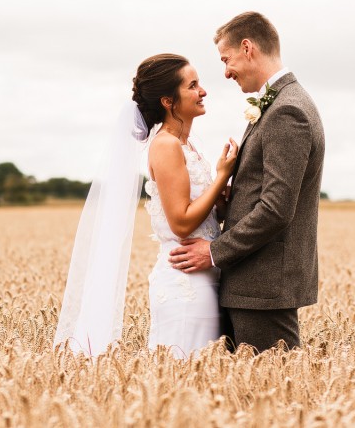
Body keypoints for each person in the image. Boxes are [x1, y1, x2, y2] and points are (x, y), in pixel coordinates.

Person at [53, 53, 238, 358]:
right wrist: (220, 177)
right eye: (192, 86)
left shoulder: (187, 144)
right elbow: (180, 222)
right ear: (168, 101)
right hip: (185, 282)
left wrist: (222, 198)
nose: (203, 91)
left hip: (205, 274)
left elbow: (203, 212)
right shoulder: (165, 145)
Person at [168, 12, 325, 353]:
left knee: (273, 395)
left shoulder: (287, 111)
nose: (225, 71)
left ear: (247, 47)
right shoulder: (281, 103)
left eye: (226, 60)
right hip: (253, 283)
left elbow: (277, 208)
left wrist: (213, 252)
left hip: (263, 287)